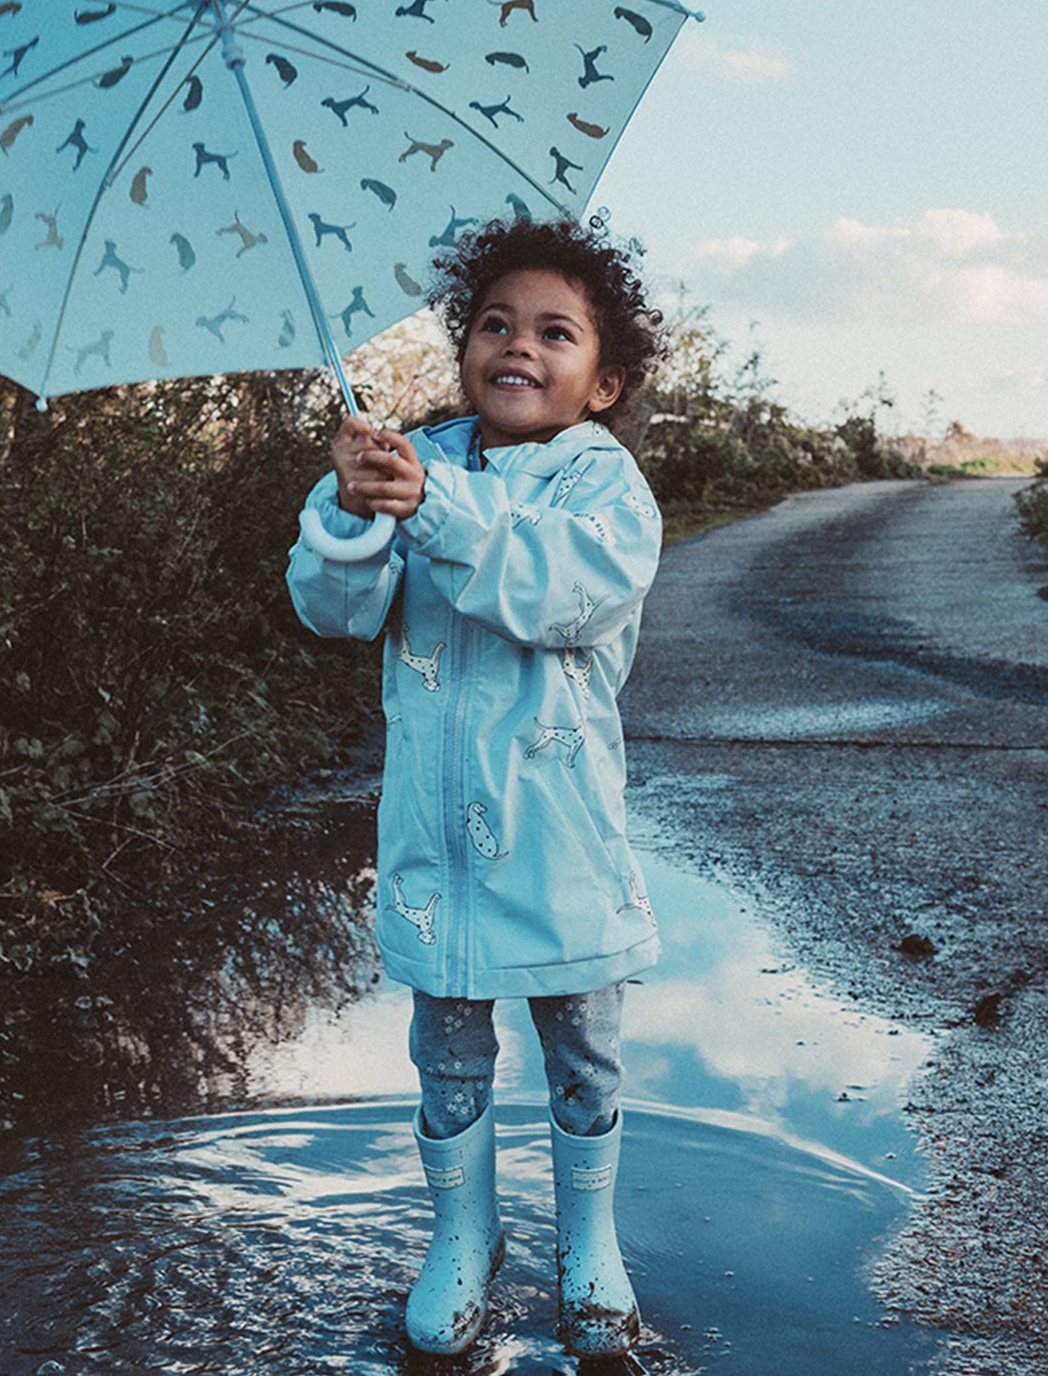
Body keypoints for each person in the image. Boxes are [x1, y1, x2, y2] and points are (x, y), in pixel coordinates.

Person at [286, 214, 666, 1357]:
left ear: (602, 381)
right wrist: (353, 514)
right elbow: (333, 608)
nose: (517, 345)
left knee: (580, 1041)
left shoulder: (603, 483)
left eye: (555, 333)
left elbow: (566, 590)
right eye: (493, 323)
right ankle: (464, 1233)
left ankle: (588, 1240)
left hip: (557, 834)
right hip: (432, 843)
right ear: (462, 345)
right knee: (445, 1045)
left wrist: (435, 508)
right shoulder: (414, 460)